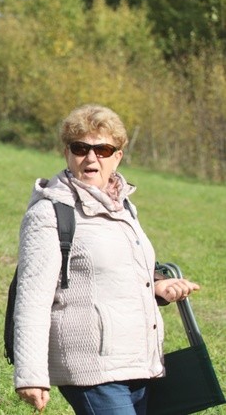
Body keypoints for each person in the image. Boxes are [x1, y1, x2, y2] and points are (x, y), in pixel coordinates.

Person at [12, 104, 201, 414]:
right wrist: (30, 375)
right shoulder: (50, 213)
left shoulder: (123, 207)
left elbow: (115, 272)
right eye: (80, 147)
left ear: (118, 156)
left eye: (103, 149)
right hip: (91, 366)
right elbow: (31, 298)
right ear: (67, 153)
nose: (91, 157)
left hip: (140, 361)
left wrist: (157, 287)